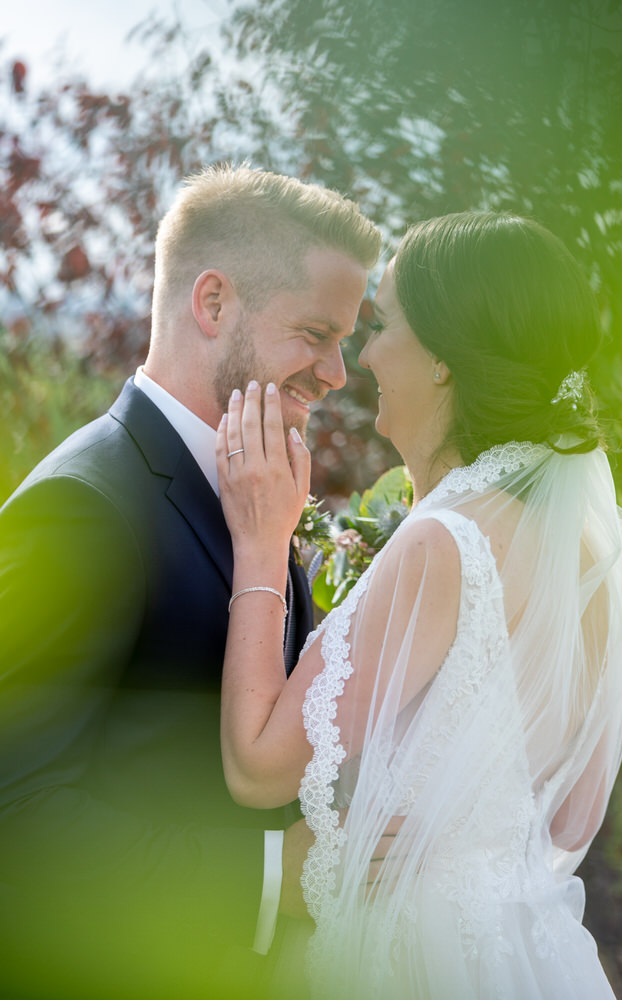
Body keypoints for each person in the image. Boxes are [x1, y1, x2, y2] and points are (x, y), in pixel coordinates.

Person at [216, 212, 622, 999]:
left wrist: (259, 537)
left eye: (383, 324)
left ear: (443, 359)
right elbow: (569, 820)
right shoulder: (590, 556)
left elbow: (257, 768)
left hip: (414, 958)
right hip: (531, 952)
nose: (364, 356)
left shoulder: (442, 542)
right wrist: (443, 815)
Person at [0, 163, 381, 1000]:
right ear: (213, 303)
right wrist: (273, 877)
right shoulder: (82, 507)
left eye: (346, 341)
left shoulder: (256, 496)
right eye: (316, 333)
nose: (336, 373)